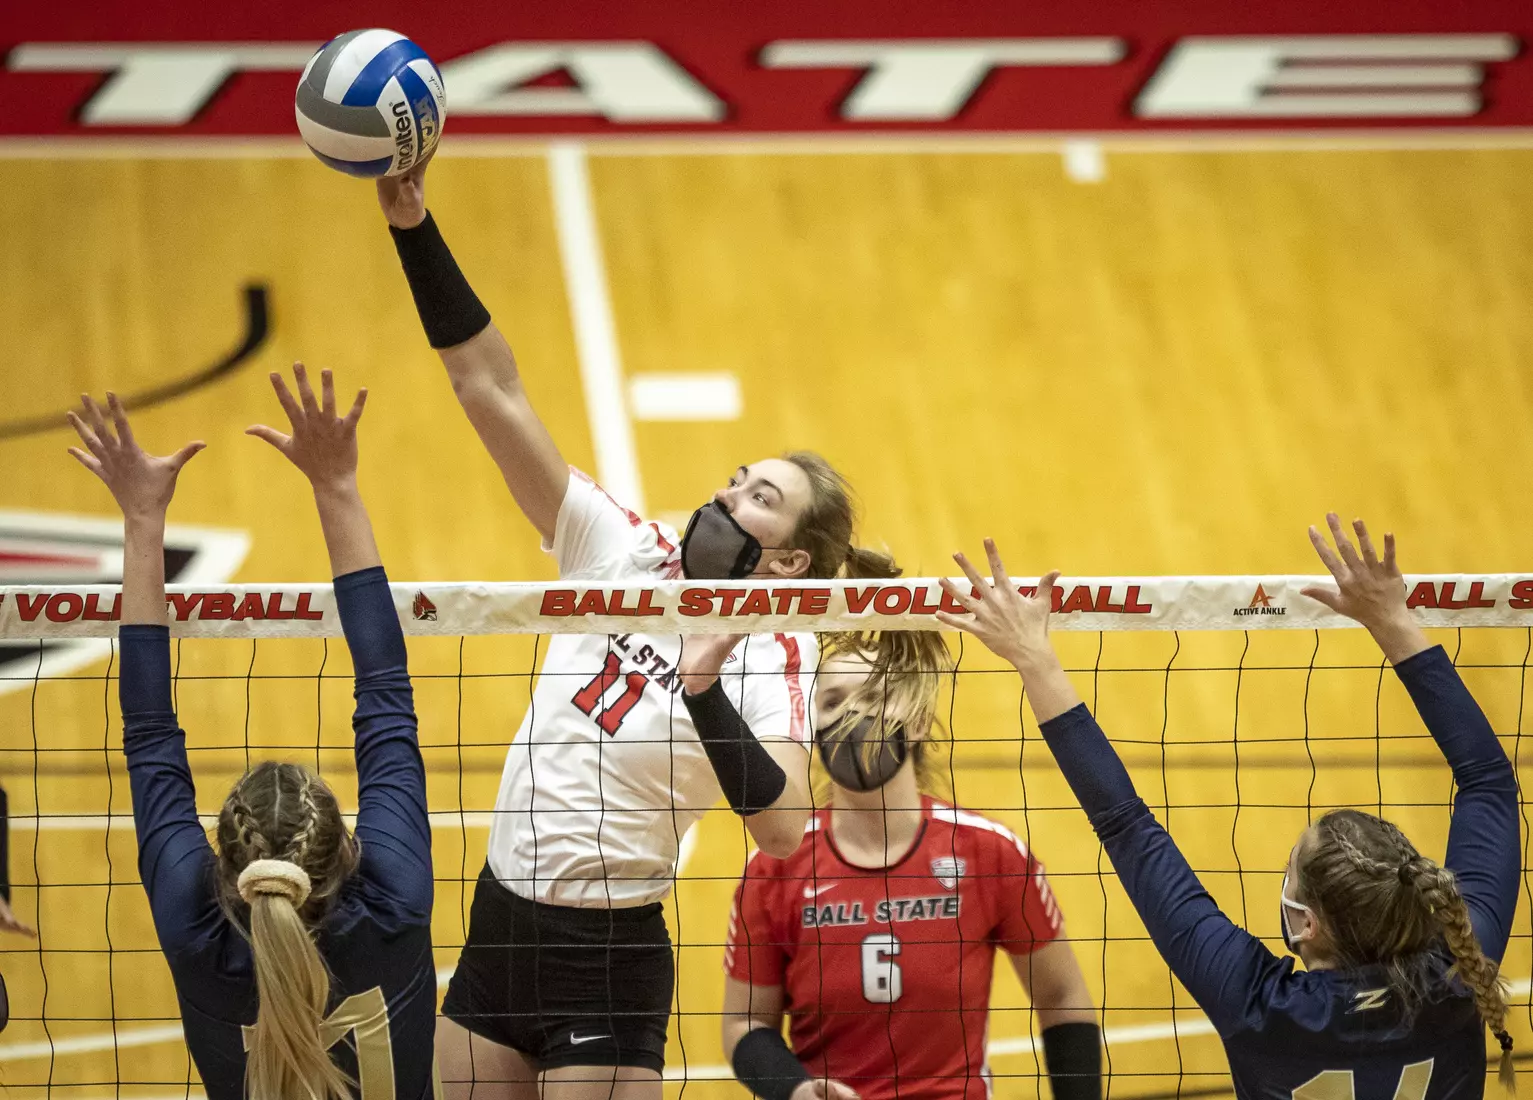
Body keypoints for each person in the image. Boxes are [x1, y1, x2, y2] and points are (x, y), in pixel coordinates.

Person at [375, 161, 897, 1099]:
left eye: (760, 499)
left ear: (787, 563)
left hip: (605, 959)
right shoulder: (619, 550)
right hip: (497, 926)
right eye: (737, 477)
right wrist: (413, 226)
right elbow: (487, 386)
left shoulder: (780, 651)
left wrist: (703, 686)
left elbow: (781, 830)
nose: (727, 495)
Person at [936, 521, 1519, 1099]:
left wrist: (1035, 659)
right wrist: (1394, 621)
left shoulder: (1260, 1006)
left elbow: (1128, 827)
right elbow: (1489, 783)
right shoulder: (1460, 971)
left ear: (1304, 923)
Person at [65, 367, 437, 1100]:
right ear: (344, 849)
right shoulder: (394, 900)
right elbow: (385, 693)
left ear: (231, 864)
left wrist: (144, 521)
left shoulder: (195, 932)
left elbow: (149, 736)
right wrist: (336, 485)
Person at [722, 631, 1102, 1100]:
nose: (852, 715)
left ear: (918, 722)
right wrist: (795, 1090)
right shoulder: (773, 868)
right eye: (833, 701)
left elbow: (1062, 995)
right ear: (811, 727)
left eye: (874, 696)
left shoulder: (989, 854)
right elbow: (745, 1021)